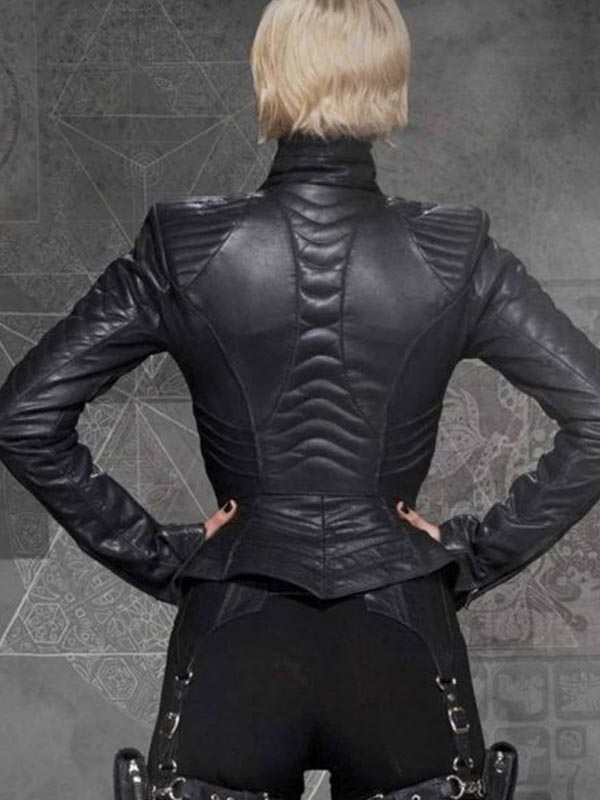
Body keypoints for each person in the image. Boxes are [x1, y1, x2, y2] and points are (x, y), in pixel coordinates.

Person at [0, 1, 599, 798]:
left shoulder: (184, 247)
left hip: (236, 632)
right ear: (393, 86)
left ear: (267, 78)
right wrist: (469, 555)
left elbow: (25, 414)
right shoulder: (457, 253)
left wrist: (167, 556)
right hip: (400, 637)